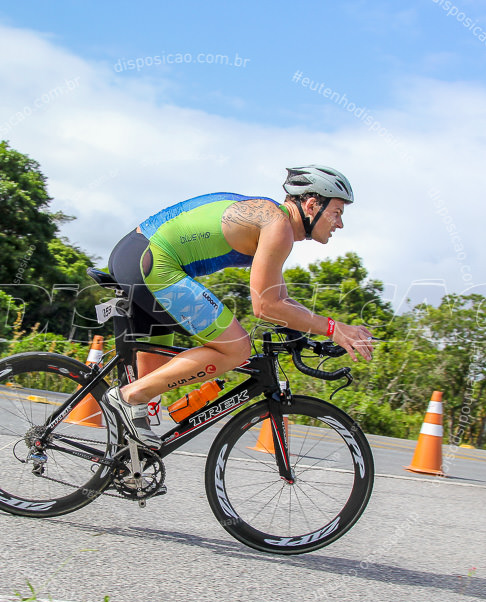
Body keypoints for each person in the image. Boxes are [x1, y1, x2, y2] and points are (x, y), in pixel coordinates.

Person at [103, 164, 376, 448]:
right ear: (311, 205)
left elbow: (280, 299)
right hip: (152, 262)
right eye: (337, 213)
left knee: (144, 408)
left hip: (137, 253)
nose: (340, 223)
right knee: (236, 348)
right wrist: (334, 328)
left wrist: (304, 335)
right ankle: (126, 397)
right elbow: (267, 307)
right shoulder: (277, 226)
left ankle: (125, 471)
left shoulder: (272, 220)